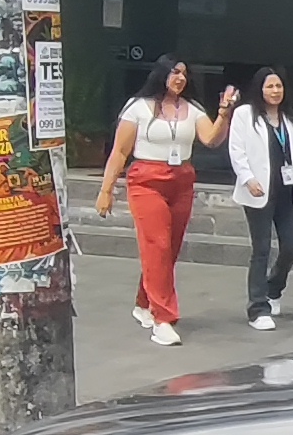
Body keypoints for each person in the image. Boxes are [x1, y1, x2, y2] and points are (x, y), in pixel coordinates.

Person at [93, 59, 237, 347]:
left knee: (168, 248)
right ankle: (163, 319)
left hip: (181, 179)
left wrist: (224, 113)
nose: (180, 78)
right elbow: (120, 152)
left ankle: (143, 303)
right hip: (147, 180)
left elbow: (211, 139)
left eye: (184, 73)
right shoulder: (138, 107)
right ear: (161, 74)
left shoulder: (192, 109)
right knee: (156, 245)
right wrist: (106, 190)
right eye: (174, 72)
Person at [228, 66, 293, 331]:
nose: (275, 91)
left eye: (279, 86)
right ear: (260, 89)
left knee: (291, 247)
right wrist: (248, 179)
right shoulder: (244, 115)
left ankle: (273, 289)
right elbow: (236, 151)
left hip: (286, 191)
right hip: (258, 191)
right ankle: (257, 308)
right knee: (261, 249)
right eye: (270, 86)